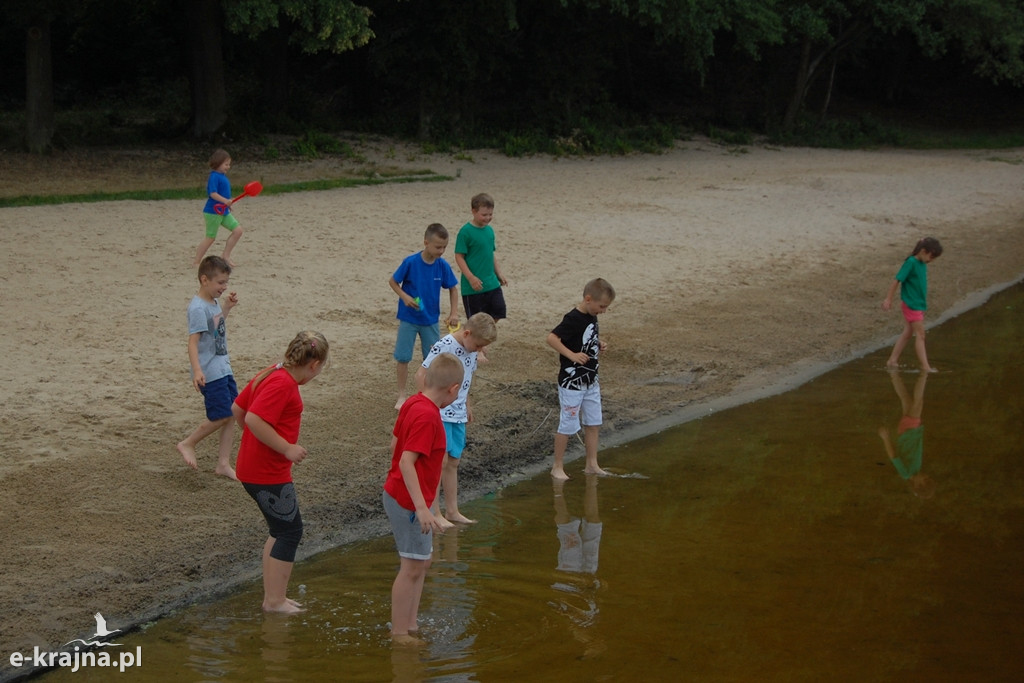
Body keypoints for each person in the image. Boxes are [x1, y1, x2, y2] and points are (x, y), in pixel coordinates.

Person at [232, 331, 330, 613]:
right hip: (266, 472)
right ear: (314, 365)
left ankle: (273, 597)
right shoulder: (283, 383)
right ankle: (274, 601)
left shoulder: (270, 371)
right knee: (290, 531)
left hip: (255, 468)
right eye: (321, 369)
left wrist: (256, 441)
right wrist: (285, 447)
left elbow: (237, 409)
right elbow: (252, 418)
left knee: (280, 530)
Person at [382, 352, 464, 644]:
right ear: (453, 389)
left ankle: (411, 622)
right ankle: (399, 632)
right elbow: (406, 461)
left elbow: (394, 442)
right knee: (411, 567)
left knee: (422, 562)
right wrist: (422, 507)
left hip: (408, 498)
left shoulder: (413, 401)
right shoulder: (428, 416)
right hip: (407, 502)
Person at [416, 312, 498, 524]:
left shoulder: (471, 351)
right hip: (440, 412)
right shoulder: (446, 345)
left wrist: (467, 405)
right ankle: (435, 512)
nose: (479, 351)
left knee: (453, 461)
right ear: (467, 333)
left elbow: (465, 380)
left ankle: (452, 510)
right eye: (478, 345)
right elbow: (421, 375)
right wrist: (428, 407)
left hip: (458, 413)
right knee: (438, 462)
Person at [177, 255, 239, 479]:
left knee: (232, 413)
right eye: (220, 283)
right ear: (205, 280)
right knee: (221, 415)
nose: (224, 287)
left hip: (222, 367)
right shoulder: (196, 308)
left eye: (226, 283)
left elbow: (213, 330)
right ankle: (188, 443)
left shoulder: (211, 303)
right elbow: (193, 342)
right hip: (209, 372)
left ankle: (223, 463)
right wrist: (198, 370)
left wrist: (226, 309)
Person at [547, 278, 616, 480]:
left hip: (591, 380)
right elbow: (552, 338)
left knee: (593, 422)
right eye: (602, 306)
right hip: (572, 382)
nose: (603, 310)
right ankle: (557, 465)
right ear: (588, 299)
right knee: (567, 423)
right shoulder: (573, 318)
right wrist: (572, 355)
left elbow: (585, 338)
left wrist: (598, 343)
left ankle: (592, 463)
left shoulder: (591, 316)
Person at [389, 223, 460, 409]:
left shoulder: (442, 266)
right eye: (438, 247)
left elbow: (453, 288)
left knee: (432, 359)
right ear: (426, 242)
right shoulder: (410, 262)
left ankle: (427, 394)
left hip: (431, 320)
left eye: (444, 247)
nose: (441, 251)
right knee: (403, 357)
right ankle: (402, 395)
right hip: (408, 319)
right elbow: (393, 281)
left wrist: (454, 312)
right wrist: (404, 297)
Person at [882, 237, 943, 372]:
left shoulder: (922, 264)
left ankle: (892, 360)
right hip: (911, 304)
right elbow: (897, 280)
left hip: (918, 304)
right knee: (920, 334)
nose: (931, 260)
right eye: (931, 256)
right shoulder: (911, 262)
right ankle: (925, 367)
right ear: (923, 251)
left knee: (908, 333)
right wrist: (888, 299)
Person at [878, 369, 936, 498]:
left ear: (917, 485)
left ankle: (924, 373)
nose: (926, 476)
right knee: (906, 399)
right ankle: (893, 372)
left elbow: (893, 456)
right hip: (910, 432)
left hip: (909, 432)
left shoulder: (906, 473)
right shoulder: (915, 470)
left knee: (918, 401)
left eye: (925, 480)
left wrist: (885, 438)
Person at [455, 193, 507, 322]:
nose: (487, 218)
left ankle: (482, 338)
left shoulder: (489, 231)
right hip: (472, 288)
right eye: (484, 215)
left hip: (491, 283)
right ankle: (474, 340)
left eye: (490, 214)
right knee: (476, 322)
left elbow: (490, 254)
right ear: (473, 211)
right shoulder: (465, 232)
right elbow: (459, 257)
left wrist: (499, 273)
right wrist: (471, 278)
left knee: (499, 311)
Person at [194, 148, 244, 267]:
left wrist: (228, 204)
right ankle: (196, 261)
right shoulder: (214, 177)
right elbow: (213, 194)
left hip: (223, 211)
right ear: (218, 163)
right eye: (226, 164)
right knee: (210, 238)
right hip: (212, 212)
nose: (228, 167)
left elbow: (223, 194)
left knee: (238, 231)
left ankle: (225, 256)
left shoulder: (222, 176)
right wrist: (225, 201)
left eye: (229, 164)